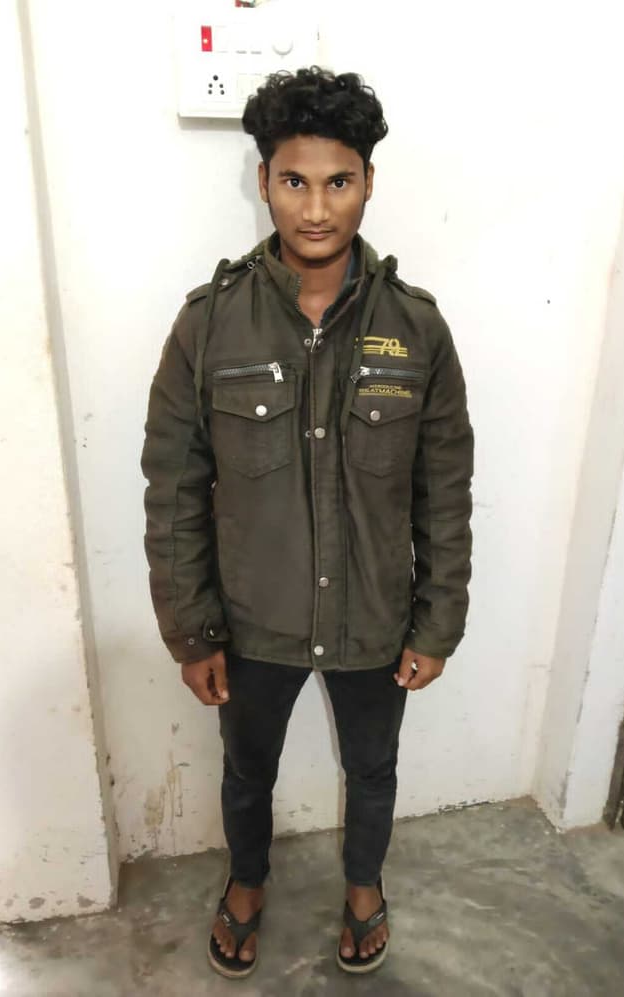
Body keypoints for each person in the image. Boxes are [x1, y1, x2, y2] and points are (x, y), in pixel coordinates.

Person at [141, 65, 474, 979]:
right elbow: (174, 489)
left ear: (369, 181)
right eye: (294, 180)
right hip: (254, 620)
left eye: (339, 181)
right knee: (247, 768)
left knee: (373, 768)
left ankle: (364, 886)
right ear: (264, 181)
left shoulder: (418, 330)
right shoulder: (208, 325)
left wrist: (438, 622)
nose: (317, 208)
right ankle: (247, 882)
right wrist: (192, 628)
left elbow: (445, 489)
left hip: (375, 617)